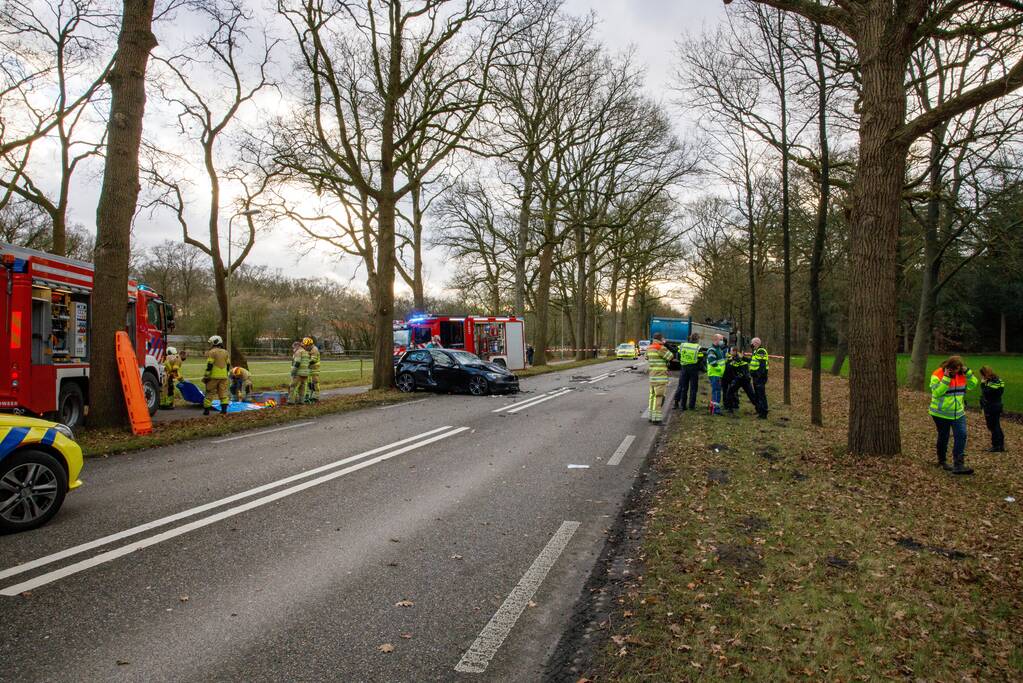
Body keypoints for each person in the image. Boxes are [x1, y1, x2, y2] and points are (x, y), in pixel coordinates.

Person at [929, 356, 979, 474]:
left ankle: (958, 465)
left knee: (962, 435)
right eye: (955, 369)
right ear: (949, 367)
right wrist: (946, 379)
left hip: (958, 413)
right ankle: (942, 460)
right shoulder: (937, 374)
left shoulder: (962, 374)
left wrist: (968, 372)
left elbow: (973, 384)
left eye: (959, 368)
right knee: (944, 436)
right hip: (940, 414)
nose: (957, 371)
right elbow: (936, 393)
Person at [646, 333, 674, 424]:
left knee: (652, 396)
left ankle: (651, 417)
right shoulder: (660, 348)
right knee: (659, 397)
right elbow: (670, 356)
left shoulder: (649, 347)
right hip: (660, 377)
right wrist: (666, 345)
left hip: (652, 376)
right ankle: (657, 419)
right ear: (661, 339)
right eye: (663, 339)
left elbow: (646, 357)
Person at [672, 332, 704, 412]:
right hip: (693, 369)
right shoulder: (698, 347)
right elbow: (700, 359)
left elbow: (678, 355)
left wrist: (682, 361)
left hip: (684, 368)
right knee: (693, 388)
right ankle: (691, 406)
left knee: (683, 387)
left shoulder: (682, 345)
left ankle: (682, 406)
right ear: (697, 339)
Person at [979, 365, 1005, 453]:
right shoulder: (999, 380)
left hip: (991, 406)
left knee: (992, 426)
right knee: (996, 425)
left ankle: (996, 446)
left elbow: (986, 393)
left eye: (982, 375)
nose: (981, 377)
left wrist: (983, 384)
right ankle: (1000, 445)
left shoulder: (992, 382)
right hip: (998, 405)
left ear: (984, 374)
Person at [724, 347, 757, 416]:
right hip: (738, 379)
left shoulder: (740, 357)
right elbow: (729, 368)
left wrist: (732, 361)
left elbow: (734, 366)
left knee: (751, 395)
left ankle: (759, 408)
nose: (730, 352)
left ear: (735, 351)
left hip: (743, 379)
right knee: (730, 393)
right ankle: (730, 409)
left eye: (731, 351)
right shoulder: (732, 358)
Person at [203, 335, 230, 416]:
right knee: (223, 393)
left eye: (211, 343)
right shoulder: (226, 352)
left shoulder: (212, 352)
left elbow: (210, 364)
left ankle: (206, 411)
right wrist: (226, 373)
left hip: (213, 376)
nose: (210, 345)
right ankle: (224, 410)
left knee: (209, 392)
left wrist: (206, 375)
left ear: (215, 343)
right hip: (224, 376)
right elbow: (228, 364)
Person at [705, 334, 727, 415]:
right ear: (716, 340)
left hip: (718, 374)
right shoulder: (712, 350)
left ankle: (713, 408)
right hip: (715, 374)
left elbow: (720, 361)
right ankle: (716, 410)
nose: (722, 341)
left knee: (716, 391)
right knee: (716, 391)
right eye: (721, 340)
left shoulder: (718, 349)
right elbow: (712, 362)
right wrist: (720, 369)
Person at [749, 337, 769, 419]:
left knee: (761, 395)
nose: (751, 344)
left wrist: (758, 375)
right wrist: (743, 358)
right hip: (755, 377)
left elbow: (762, 365)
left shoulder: (761, 351)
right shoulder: (755, 351)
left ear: (756, 343)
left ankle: (763, 413)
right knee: (757, 394)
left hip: (760, 378)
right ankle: (759, 410)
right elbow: (753, 361)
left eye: (752, 343)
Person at [289, 338, 312, 404]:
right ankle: (301, 401)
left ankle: (291, 401)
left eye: (293, 347)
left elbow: (297, 362)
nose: (293, 349)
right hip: (305, 373)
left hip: (298, 373)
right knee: (302, 387)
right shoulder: (306, 352)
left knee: (293, 386)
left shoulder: (298, 352)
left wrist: (293, 372)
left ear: (297, 346)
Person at [306, 337, 321, 403]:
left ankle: (316, 397)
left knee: (315, 383)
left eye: (307, 346)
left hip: (314, 369)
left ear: (310, 344)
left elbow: (313, 360)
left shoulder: (314, 349)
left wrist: (305, 363)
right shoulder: (310, 349)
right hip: (310, 369)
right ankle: (311, 396)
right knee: (310, 384)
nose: (306, 347)